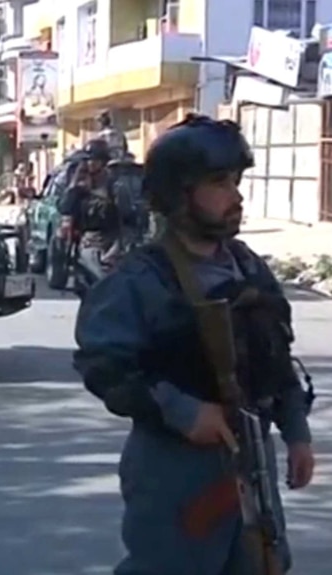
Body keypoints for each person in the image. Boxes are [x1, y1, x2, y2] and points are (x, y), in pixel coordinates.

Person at [73, 114, 314, 574]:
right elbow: (104, 366)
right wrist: (184, 411)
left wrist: (296, 433)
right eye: (219, 182)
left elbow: (275, 357)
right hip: (175, 468)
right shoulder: (142, 279)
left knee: (262, 564)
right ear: (179, 195)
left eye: (237, 180)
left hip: (250, 460)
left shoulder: (248, 268)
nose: (236, 195)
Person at [58, 138, 123, 284]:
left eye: (95, 160)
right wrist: (75, 184)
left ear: (103, 162)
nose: (90, 163)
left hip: (111, 240)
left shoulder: (113, 184)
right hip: (88, 241)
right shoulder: (82, 185)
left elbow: (124, 216)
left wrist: (116, 245)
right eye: (88, 160)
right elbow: (65, 207)